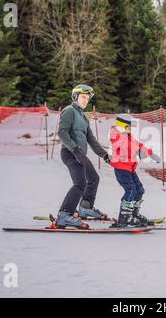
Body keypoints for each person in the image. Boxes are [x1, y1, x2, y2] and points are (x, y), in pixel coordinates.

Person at [56, 84, 111, 229]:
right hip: (70, 152)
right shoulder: (69, 111)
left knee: (93, 179)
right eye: (83, 97)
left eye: (87, 98)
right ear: (75, 97)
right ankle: (64, 215)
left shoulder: (83, 118)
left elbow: (91, 140)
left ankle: (85, 208)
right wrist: (74, 149)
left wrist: (104, 155)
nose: (85, 101)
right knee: (80, 183)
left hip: (80, 154)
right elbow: (62, 132)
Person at [108, 114, 161, 227]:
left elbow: (137, 144)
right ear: (122, 126)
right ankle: (124, 219)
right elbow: (128, 146)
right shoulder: (116, 135)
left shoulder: (127, 136)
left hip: (130, 169)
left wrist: (150, 153)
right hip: (121, 169)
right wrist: (139, 152)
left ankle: (133, 215)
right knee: (131, 191)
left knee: (139, 190)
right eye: (129, 127)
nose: (131, 129)